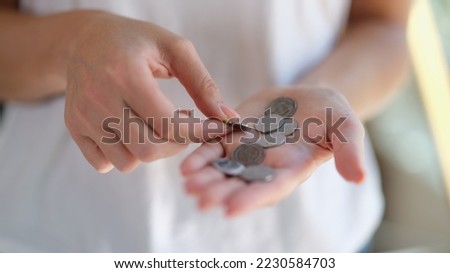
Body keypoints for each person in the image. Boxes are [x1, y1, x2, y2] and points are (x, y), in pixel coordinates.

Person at [0, 0, 410, 252]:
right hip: (57, 236)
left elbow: (383, 25)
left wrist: (326, 90)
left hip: (312, 236)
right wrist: (73, 45)